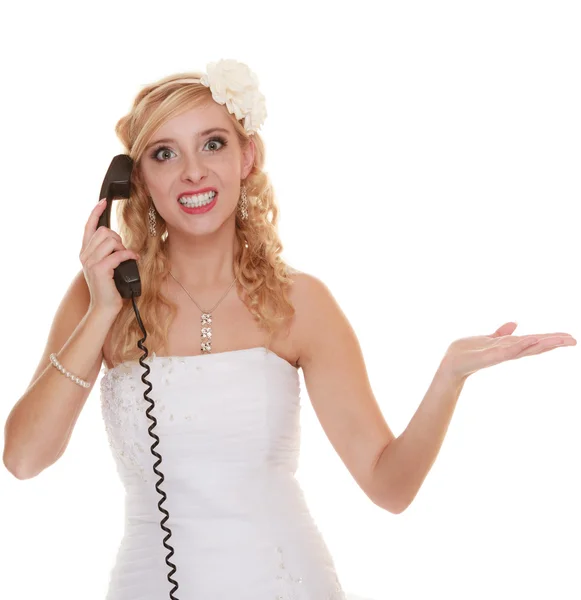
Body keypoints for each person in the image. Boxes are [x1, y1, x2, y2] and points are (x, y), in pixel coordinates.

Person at [3, 59, 576, 600]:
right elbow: (24, 460)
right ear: (136, 180)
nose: (193, 171)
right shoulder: (94, 297)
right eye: (163, 153)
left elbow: (390, 487)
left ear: (247, 156)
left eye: (213, 143)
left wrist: (450, 375)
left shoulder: (301, 302)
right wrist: (104, 308)